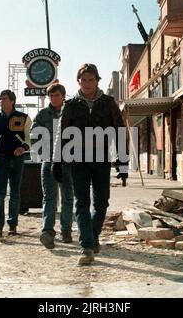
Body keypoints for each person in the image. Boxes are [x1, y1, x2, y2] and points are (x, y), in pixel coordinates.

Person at [52, 64, 128, 265]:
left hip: (101, 159)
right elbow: (61, 134)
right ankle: (86, 246)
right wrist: (57, 161)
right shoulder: (71, 105)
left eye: (91, 79)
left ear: (97, 81)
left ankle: (93, 237)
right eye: (83, 80)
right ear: (78, 81)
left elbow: (120, 131)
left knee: (102, 202)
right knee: (82, 203)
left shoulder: (108, 103)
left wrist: (123, 162)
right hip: (78, 160)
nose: (87, 83)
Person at [0, 90, 32, 238]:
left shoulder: (24, 118)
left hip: (17, 160)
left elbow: (30, 139)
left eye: (4, 99)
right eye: (0, 99)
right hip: (0, 159)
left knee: (15, 193)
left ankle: (13, 225)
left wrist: (22, 148)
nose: (1, 101)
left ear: (12, 101)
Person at [31, 82, 74, 249]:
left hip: (68, 161)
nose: (54, 98)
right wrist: (43, 153)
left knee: (67, 197)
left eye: (57, 95)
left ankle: (66, 230)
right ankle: (48, 231)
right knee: (49, 198)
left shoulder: (71, 112)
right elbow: (34, 135)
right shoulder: (42, 115)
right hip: (48, 161)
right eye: (51, 95)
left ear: (63, 96)